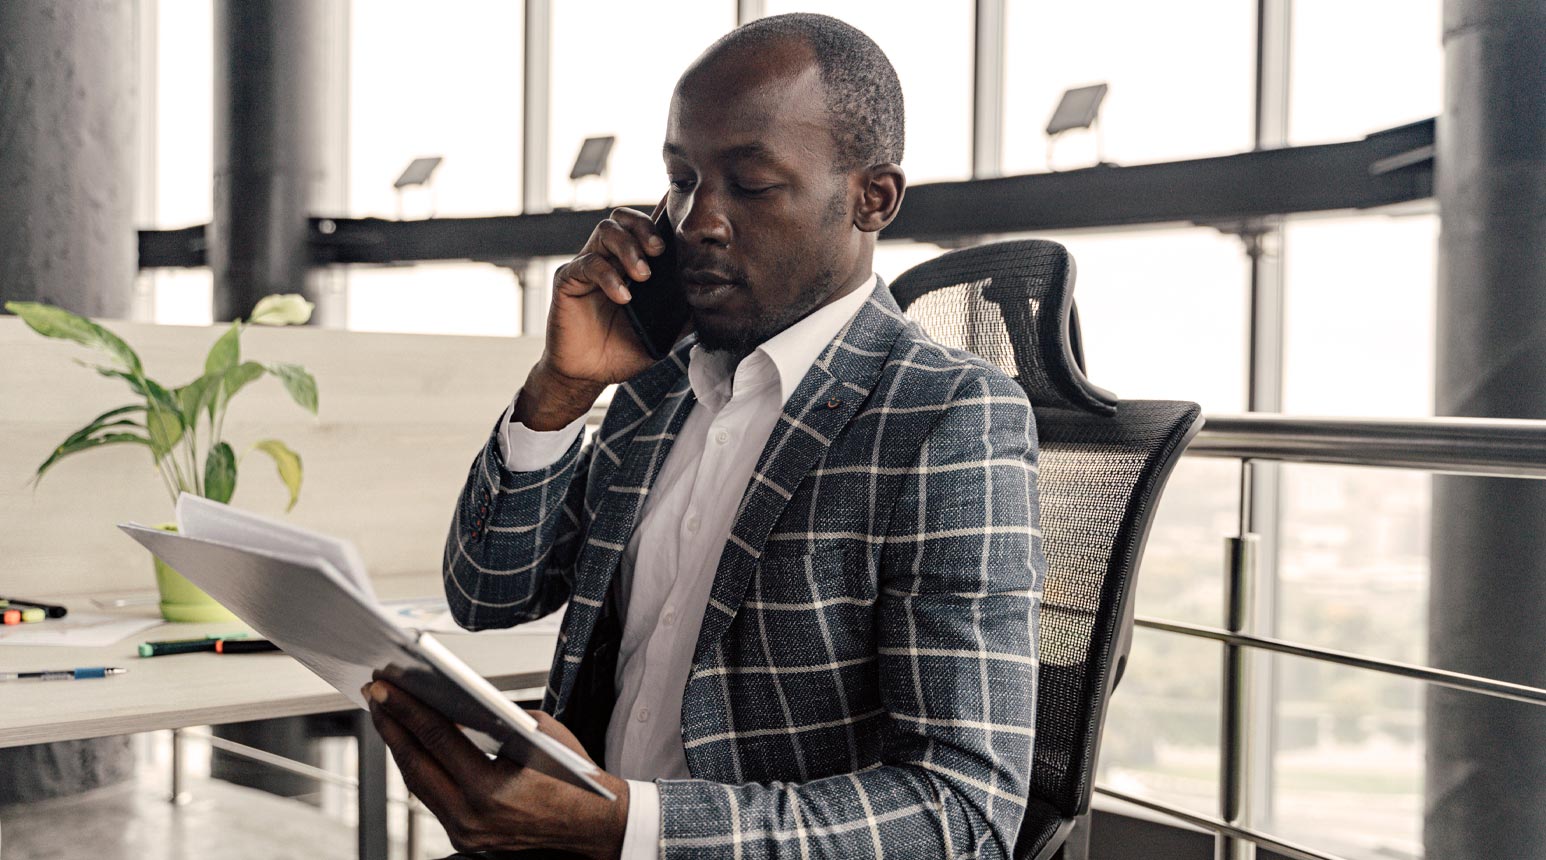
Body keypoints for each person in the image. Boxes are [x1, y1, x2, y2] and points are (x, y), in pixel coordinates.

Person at [363, 12, 1044, 860]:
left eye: (751, 185)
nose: (697, 222)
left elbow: (962, 816)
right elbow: (487, 593)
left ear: (873, 199)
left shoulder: (947, 418)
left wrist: (625, 827)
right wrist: (561, 390)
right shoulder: (657, 385)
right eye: (681, 180)